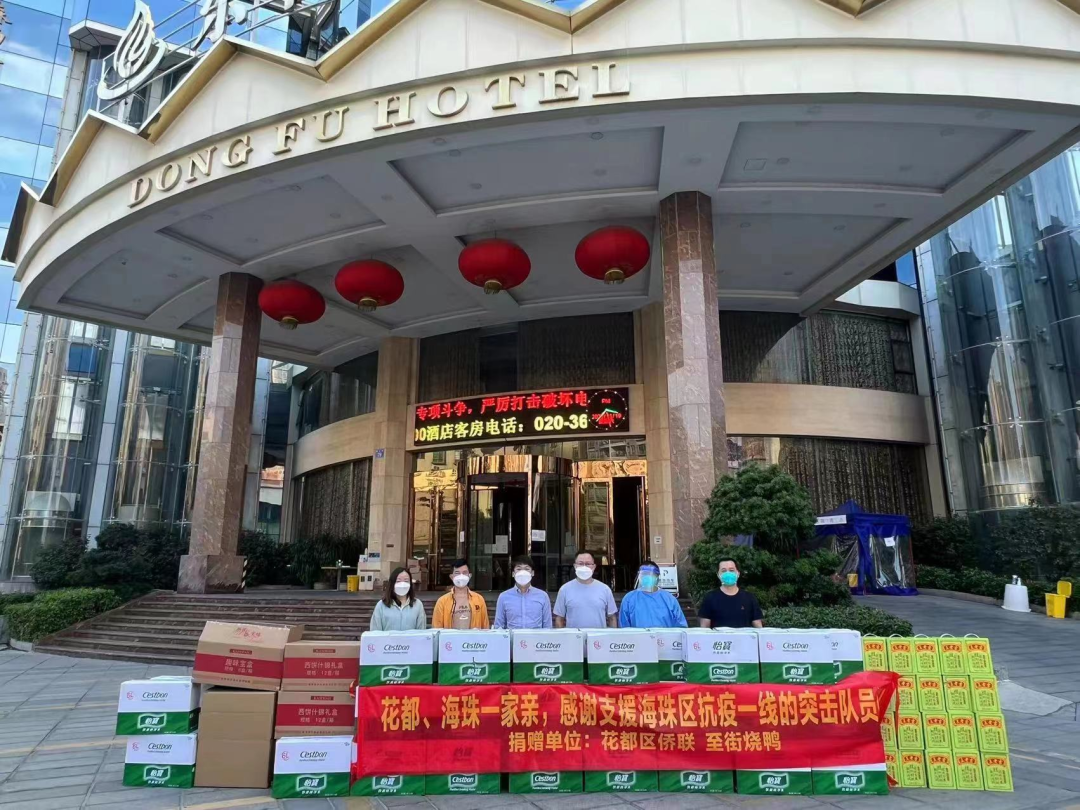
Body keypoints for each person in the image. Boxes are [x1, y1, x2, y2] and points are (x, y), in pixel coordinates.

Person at [553, 551, 618, 629]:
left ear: (594, 567)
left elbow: (612, 618)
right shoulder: (565, 589)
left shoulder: (605, 589)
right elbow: (559, 619)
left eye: (588, 564)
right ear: (575, 566)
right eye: (580, 564)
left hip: (598, 636)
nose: (584, 567)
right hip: (574, 636)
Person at [618, 560, 687, 629]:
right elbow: (624, 628)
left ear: (657, 577)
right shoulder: (629, 599)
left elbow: (681, 627)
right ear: (639, 576)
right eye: (643, 574)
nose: (646, 577)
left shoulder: (669, 599)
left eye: (650, 574)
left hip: (664, 636)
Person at [699, 558, 764, 629]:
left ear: (738, 573)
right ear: (718, 575)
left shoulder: (749, 598)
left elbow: (758, 627)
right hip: (719, 636)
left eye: (731, 570)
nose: (728, 573)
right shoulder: (710, 598)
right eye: (724, 571)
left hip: (743, 636)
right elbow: (704, 628)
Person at [493, 558, 552, 630]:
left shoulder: (543, 596)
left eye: (527, 569)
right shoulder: (503, 597)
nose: (523, 572)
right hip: (513, 636)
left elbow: (547, 626)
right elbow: (499, 626)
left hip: (536, 637)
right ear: (513, 574)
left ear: (532, 573)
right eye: (519, 569)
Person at [432, 558, 490, 629]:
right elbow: (436, 629)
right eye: (457, 573)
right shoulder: (442, 601)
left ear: (469, 576)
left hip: (473, 636)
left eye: (464, 572)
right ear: (451, 577)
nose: (461, 576)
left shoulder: (479, 599)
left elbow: (485, 626)